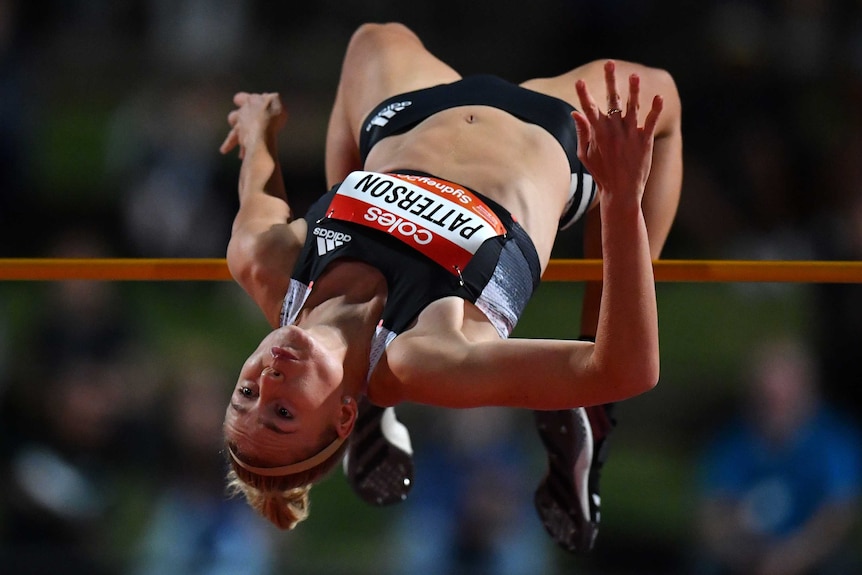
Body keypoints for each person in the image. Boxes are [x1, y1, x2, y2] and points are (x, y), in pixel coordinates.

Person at [218, 21, 682, 552]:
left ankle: (379, 408)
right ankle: (593, 418)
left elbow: (259, 190)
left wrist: (259, 132)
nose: (269, 380)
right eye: (283, 413)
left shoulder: (265, 263)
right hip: (551, 137)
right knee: (660, 99)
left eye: (247, 394)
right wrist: (622, 201)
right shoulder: (424, 356)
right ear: (340, 413)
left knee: (372, 38)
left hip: (412, 119)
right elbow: (627, 369)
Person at [695, 338, 862, 575]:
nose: (773, 407)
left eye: (781, 398)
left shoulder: (834, 441)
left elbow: (837, 514)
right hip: (747, 554)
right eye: (765, 398)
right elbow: (713, 509)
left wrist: (791, 557)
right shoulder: (734, 442)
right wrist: (735, 549)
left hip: (810, 556)